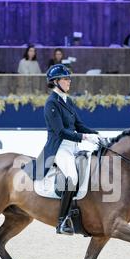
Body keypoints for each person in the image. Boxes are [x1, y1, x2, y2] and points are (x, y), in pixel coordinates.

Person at [35, 64, 100, 235]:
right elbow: (60, 131)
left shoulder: (67, 100)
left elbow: (78, 124)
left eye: (69, 78)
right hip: (59, 148)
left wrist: (96, 135)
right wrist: (84, 137)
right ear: (55, 82)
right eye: (65, 79)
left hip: (72, 147)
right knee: (72, 176)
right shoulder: (51, 103)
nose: (69, 81)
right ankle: (61, 221)